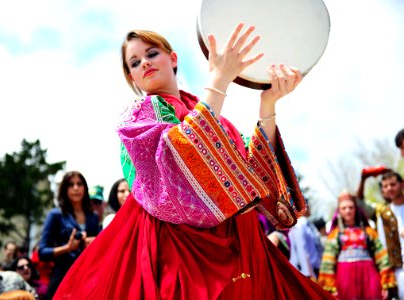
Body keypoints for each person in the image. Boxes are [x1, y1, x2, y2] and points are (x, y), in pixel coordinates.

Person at [54, 24, 333, 299]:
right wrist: (219, 82)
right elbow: (175, 165)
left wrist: (268, 104)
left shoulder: (218, 119)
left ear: (172, 59)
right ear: (132, 78)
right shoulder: (138, 117)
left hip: (242, 240)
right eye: (135, 62)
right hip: (178, 247)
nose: (144, 64)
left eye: (152, 54)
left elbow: (255, 172)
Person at [318, 191, 397, 299]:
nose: (348, 211)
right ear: (339, 211)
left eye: (351, 207)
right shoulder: (335, 235)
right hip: (345, 281)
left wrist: (386, 282)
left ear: (356, 209)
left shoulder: (369, 232)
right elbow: (328, 263)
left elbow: (382, 257)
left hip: (369, 279)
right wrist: (330, 287)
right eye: (344, 208)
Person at [38, 171, 100, 299]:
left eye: (79, 184)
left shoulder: (93, 217)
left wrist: (93, 242)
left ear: (85, 188)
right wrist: (67, 248)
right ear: (64, 189)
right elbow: (42, 252)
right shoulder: (55, 215)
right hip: (62, 278)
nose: (76, 188)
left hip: (87, 278)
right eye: (71, 185)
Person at [358, 170, 404, 299]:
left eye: (393, 184)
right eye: (385, 186)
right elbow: (383, 248)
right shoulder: (383, 214)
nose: (389, 188)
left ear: (402, 185)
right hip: (399, 270)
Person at [289, 207, 324, 280]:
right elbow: (302, 249)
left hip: (314, 267)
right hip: (306, 271)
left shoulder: (308, 224)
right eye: (307, 206)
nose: (310, 208)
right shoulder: (299, 225)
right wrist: (308, 273)